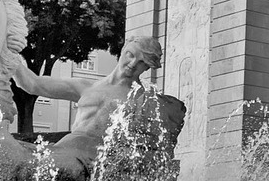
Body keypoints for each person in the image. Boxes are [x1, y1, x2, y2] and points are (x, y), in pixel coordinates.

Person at [11, 36, 163, 171]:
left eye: (142, 62)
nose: (133, 63)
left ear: (147, 67)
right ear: (123, 50)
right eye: (131, 55)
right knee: (4, 148)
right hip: (64, 151)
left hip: (89, 161)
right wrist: (6, 51)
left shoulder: (140, 100)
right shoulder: (86, 87)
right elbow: (32, 84)